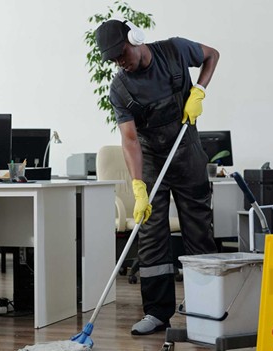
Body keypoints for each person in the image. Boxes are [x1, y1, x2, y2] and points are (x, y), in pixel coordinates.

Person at [94, 19, 220, 335]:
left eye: (122, 53)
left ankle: (205, 306)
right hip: (151, 159)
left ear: (135, 38)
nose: (120, 62)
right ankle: (156, 313)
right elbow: (130, 140)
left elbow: (212, 55)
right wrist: (138, 186)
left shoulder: (175, 50)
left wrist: (200, 90)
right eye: (113, 60)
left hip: (187, 152)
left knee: (198, 228)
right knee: (151, 235)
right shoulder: (120, 89)